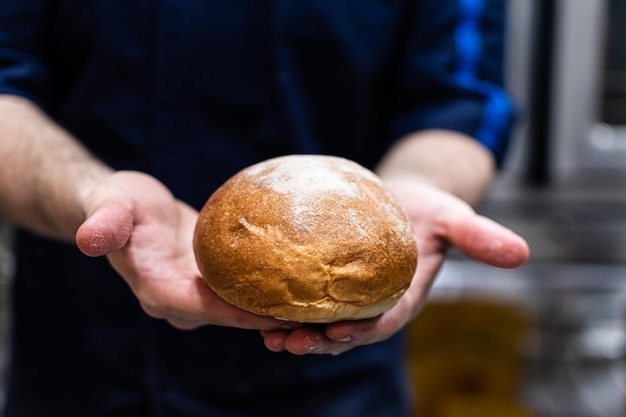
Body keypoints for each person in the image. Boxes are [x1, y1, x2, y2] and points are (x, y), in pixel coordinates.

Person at [0, 1, 529, 416]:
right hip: (83, 352)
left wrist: (412, 188)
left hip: (333, 383)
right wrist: (89, 191)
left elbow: (456, 102)